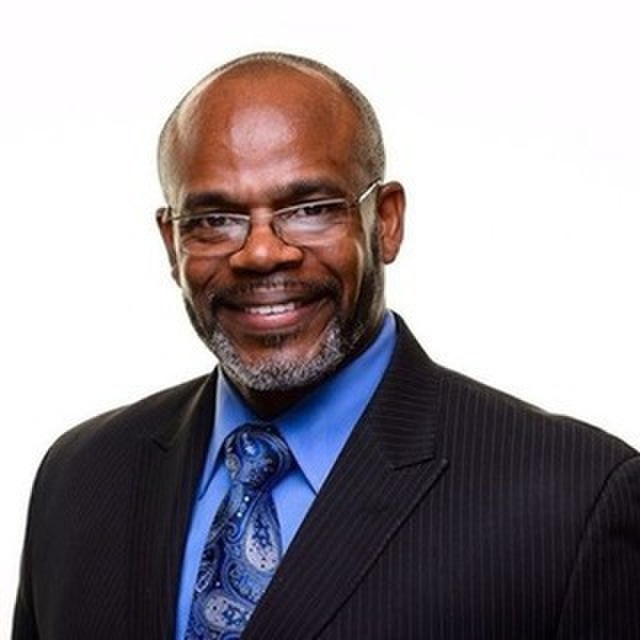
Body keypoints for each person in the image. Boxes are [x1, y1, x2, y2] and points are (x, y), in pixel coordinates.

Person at [12, 52, 640, 640]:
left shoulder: (572, 500)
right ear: (171, 243)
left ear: (386, 221)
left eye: (310, 208)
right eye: (214, 220)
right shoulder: (79, 477)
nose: (261, 252)